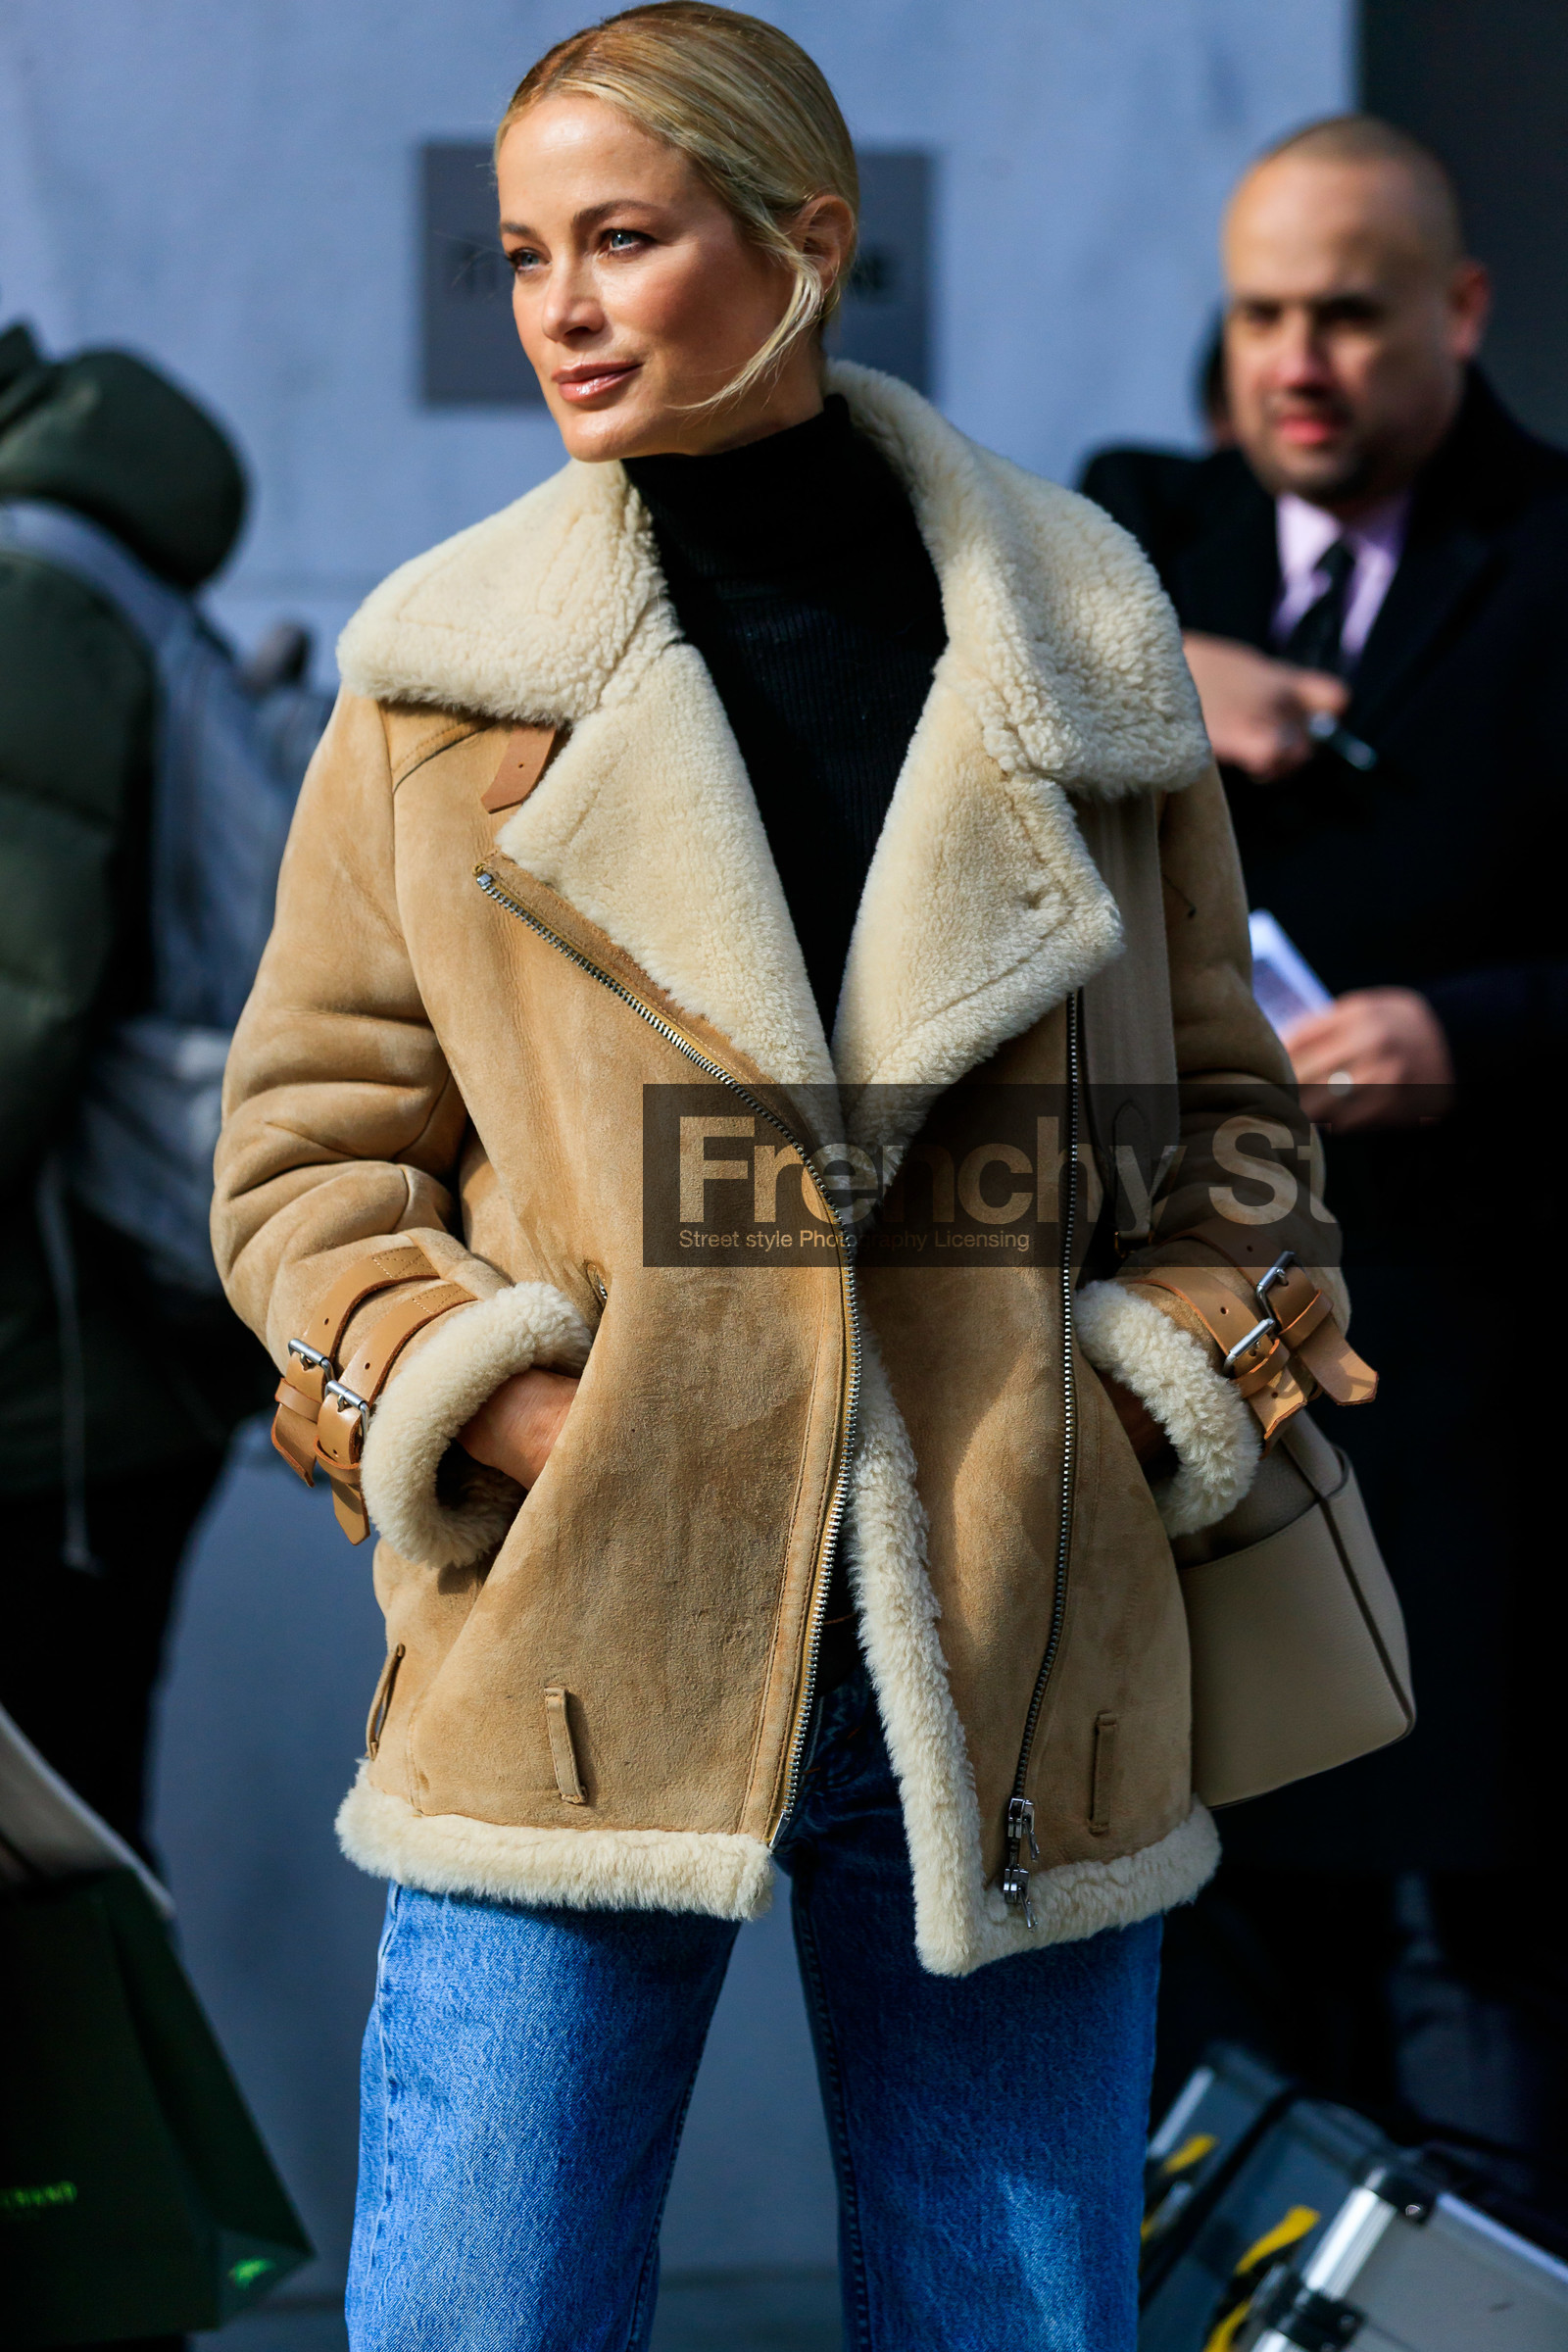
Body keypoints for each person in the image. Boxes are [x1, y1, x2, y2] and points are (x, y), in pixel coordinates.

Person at [213, 12, 1362, 2344]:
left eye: (621, 240)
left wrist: (1126, 1402)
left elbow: (1233, 1125)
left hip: (1010, 1622)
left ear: (804, 243)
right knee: (478, 2312)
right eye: (522, 252)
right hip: (584, 1603)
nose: (558, 306)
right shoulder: (442, 676)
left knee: (1009, 2322)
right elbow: (305, 1152)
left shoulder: (1072, 639)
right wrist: (500, 1408)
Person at [1081, 116, 1568, 2220]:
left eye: (1349, 317)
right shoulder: (1130, 538)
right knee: (1205, 1962)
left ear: (1459, 309)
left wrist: (1469, 1034)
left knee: (1469, 1985)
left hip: (1480, 1393)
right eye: (1261, 312)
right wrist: (1144, 675)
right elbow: (906, 669)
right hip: (1177, 1388)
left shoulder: (1551, 553)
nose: (1294, 361)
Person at [0, 323, 279, 1871]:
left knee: (62, 1881)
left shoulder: (27, 593)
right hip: (80, 1365)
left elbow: (14, 1000)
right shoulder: (66, 564)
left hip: (50, 1380)